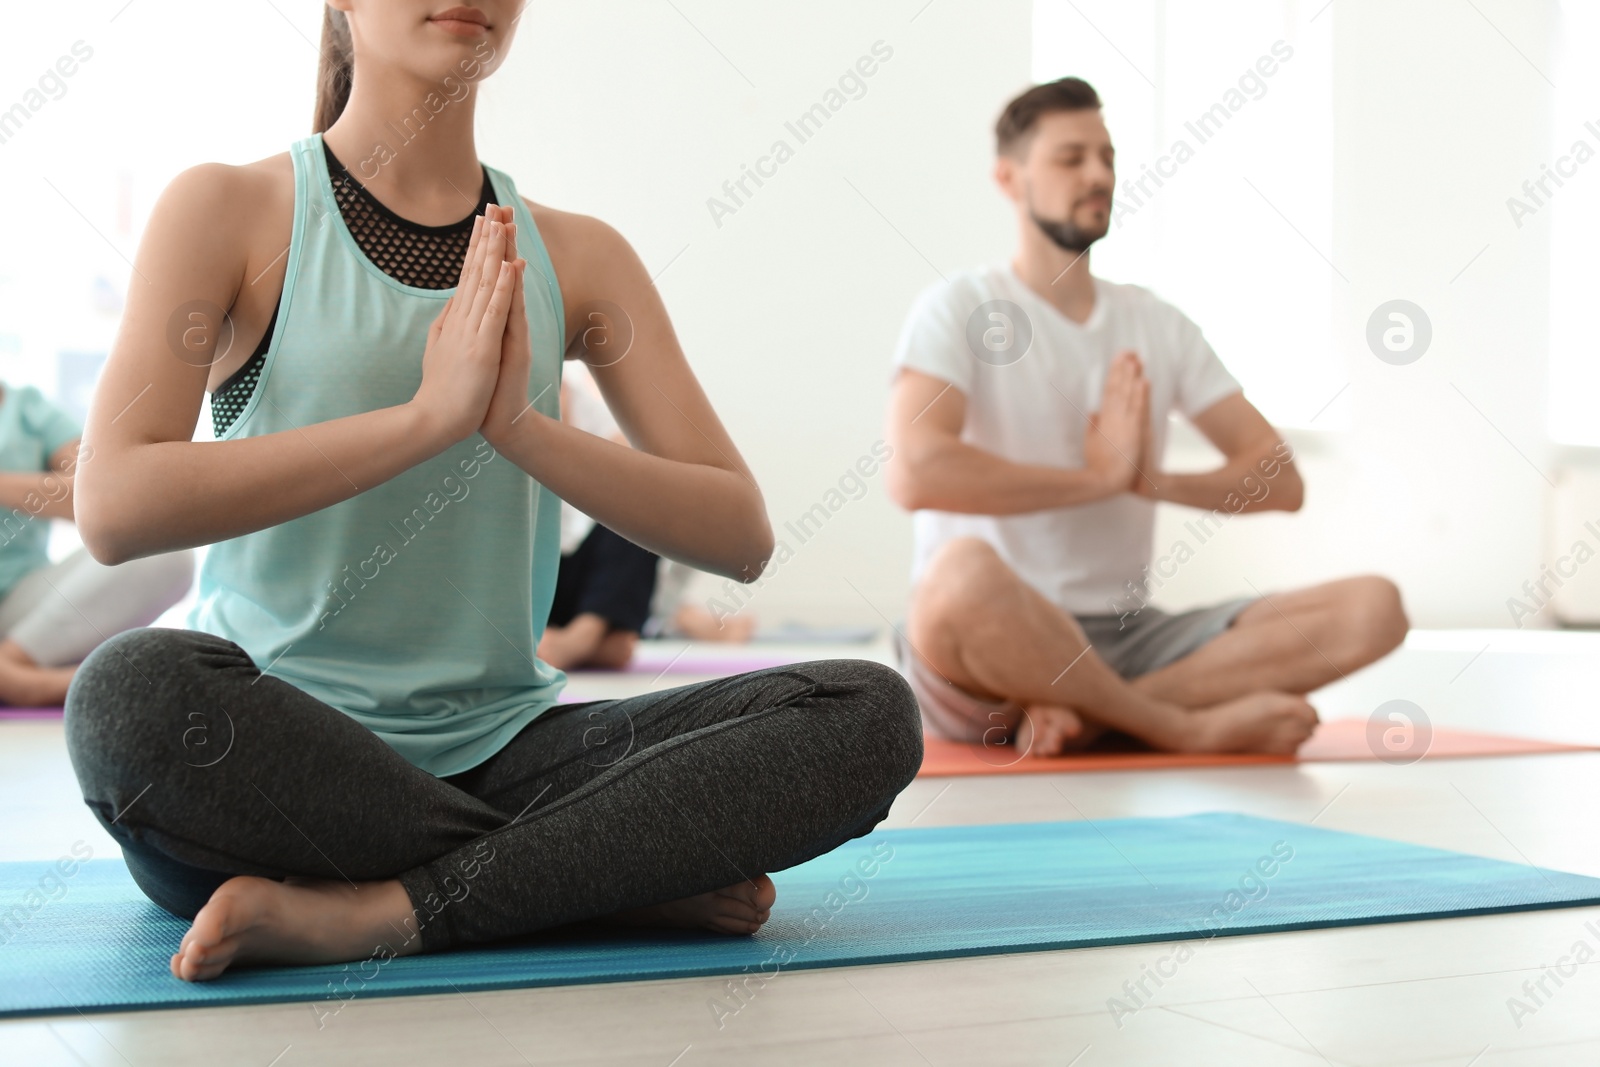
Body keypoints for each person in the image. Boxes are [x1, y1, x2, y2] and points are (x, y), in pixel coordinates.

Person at [63, 0, 921, 984]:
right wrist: (425, 420)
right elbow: (113, 503)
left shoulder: (581, 256)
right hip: (270, 752)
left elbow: (739, 534)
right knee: (126, 698)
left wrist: (518, 427)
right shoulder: (228, 211)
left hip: (509, 743)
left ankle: (393, 908)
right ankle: (590, 871)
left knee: (863, 710)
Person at [884, 77, 1408, 759]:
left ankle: (1093, 715)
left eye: (1107, 156)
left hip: (1129, 635)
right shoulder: (957, 306)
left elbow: (1279, 478)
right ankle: (1180, 724)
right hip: (995, 636)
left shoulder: (1155, 322)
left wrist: (1147, 480)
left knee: (1375, 608)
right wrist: (1095, 478)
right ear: (1010, 179)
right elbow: (915, 472)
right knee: (957, 577)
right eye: (1071, 158)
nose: (1098, 174)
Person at [0, 380, 194, 705]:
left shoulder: (29, 410)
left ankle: (15, 665)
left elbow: (99, 496)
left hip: (18, 606)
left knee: (162, 551)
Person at [538, 363, 661, 670]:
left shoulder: (587, 403)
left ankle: (583, 637)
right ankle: (598, 643)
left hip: (587, 581)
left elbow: (642, 474)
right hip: (535, 577)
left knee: (642, 509)